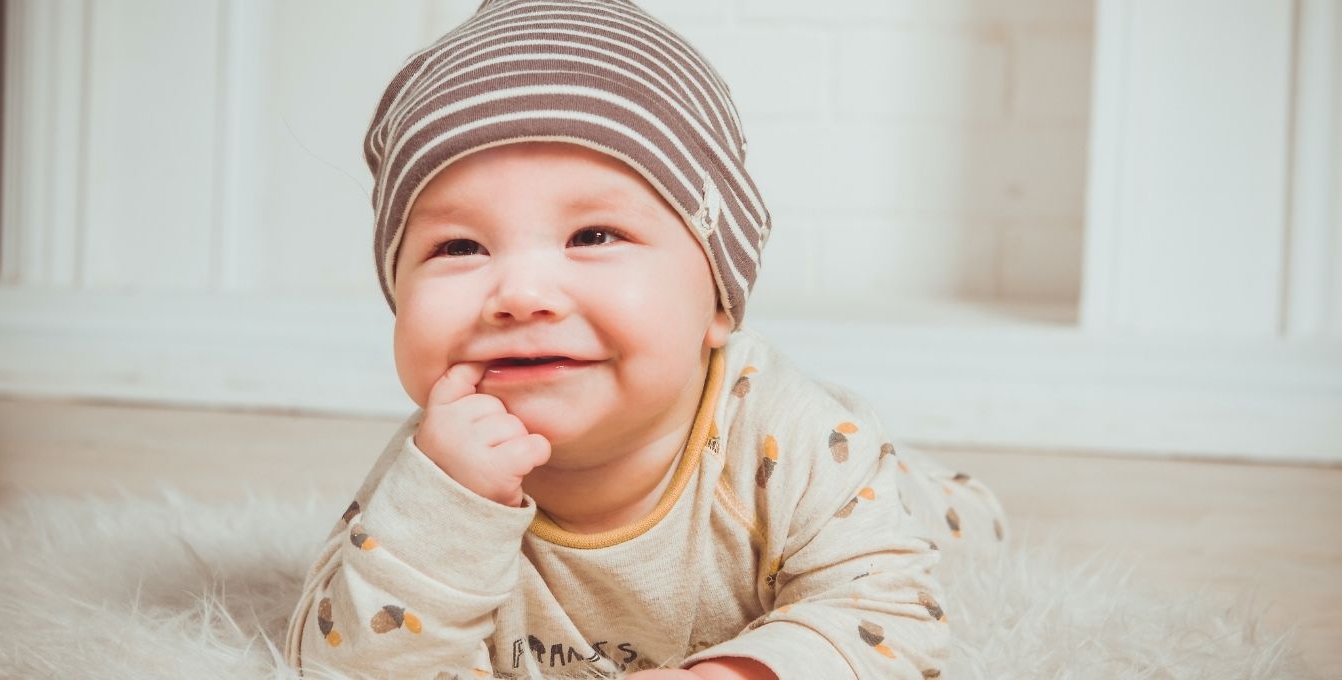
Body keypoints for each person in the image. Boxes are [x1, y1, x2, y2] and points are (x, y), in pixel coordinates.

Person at [285, 1, 1006, 677]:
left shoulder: (797, 438)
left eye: (593, 235)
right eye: (460, 247)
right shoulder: (436, 471)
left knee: (926, 530)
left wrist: (740, 670)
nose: (521, 295)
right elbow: (336, 658)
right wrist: (445, 515)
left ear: (718, 302)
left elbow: (891, 614)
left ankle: (932, 487)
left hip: (874, 496)